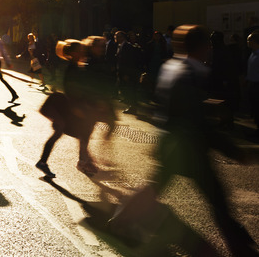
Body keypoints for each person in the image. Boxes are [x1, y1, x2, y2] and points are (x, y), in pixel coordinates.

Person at [111, 26, 258, 255]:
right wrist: (232, 150)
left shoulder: (173, 67)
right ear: (202, 48)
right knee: (217, 200)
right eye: (207, 46)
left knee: (156, 188)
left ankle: (121, 220)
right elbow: (196, 121)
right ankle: (242, 248)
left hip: (173, 144)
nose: (209, 51)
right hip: (188, 148)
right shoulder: (189, 74)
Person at [35, 39, 98, 178]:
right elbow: (70, 90)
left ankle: (44, 162)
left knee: (65, 133)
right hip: (63, 107)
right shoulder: (72, 68)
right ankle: (83, 162)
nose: (83, 53)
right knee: (77, 132)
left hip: (65, 107)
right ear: (74, 53)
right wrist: (77, 109)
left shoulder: (75, 66)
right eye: (80, 51)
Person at [247, 32, 259, 139]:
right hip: (252, 83)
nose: (248, 42)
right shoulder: (253, 53)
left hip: (257, 84)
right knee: (254, 108)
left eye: (249, 40)